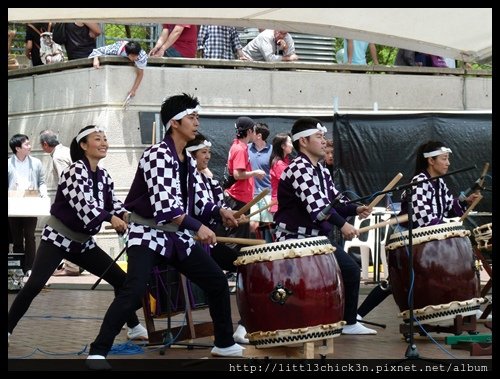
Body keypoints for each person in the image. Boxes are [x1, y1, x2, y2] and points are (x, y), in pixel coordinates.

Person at [86, 94, 244, 370]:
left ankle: (223, 343)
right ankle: (98, 352)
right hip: (147, 234)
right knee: (133, 291)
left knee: (216, 282)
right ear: (174, 123)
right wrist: (199, 227)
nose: (197, 123)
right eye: (192, 118)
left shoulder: (186, 161)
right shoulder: (157, 155)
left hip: (175, 236)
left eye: (197, 118)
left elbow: (197, 201)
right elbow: (166, 207)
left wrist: (220, 212)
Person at [8, 125, 148, 347]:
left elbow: (113, 203)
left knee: (120, 280)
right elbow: (85, 205)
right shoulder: (74, 171)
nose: (104, 143)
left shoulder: (104, 175)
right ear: (83, 145)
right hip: (58, 237)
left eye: (105, 139)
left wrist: (123, 214)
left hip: (82, 243)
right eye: (97, 139)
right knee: (34, 285)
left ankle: (133, 326)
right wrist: (110, 218)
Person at [273, 117, 376, 335]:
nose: (323, 141)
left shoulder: (319, 169)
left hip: (315, 240)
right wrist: (344, 225)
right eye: (319, 137)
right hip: (294, 239)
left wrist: (356, 209)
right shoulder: (298, 168)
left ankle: (348, 322)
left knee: (350, 269)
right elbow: (318, 208)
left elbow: (335, 201)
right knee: (287, 286)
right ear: (303, 141)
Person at [357, 140, 480, 319]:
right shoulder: (420, 182)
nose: (448, 163)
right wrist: (446, 226)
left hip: (423, 238)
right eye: (444, 159)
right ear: (431, 161)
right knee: (396, 283)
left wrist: (463, 201)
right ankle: (357, 316)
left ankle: (465, 309)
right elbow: (424, 218)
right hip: (407, 238)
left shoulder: (439, 183)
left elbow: (447, 207)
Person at [185, 132, 248, 344]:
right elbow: (200, 207)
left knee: (244, 268)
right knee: (219, 281)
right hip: (195, 242)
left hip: (210, 240)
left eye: (209, 152)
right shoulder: (188, 176)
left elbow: (217, 204)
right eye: (204, 152)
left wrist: (230, 217)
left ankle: (243, 326)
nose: (208, 156)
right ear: (191, 154)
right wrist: (223, 214)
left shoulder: (204, 176)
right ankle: (228, 337)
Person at [39, 129, 81, 276]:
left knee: (66, 231)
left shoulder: (58, 156)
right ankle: (72, 265)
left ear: (45, 144)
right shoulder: (66, 151)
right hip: (78, 199)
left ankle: (71, 267)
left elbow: (67, 181)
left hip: (70, 201)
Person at [222, 117, 266, 249]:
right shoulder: (240, 149)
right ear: (249, 131)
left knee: (240, 235)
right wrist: (255, 173)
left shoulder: (238, 146)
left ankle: (234, 267)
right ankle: (231, 267)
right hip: (237, 197)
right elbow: (237, 174)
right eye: (254, 130)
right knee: (237, 237)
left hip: (239, 197)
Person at [8, 134, 48, 275]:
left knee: (30, 236)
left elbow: (42, 182)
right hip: (13, 204)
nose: (30, 146)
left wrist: (44, 194)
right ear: (17, 148)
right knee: (17, 238)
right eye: (26, 144)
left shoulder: (36, 163)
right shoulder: (8, 164)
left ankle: (30, 268)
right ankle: (19, 269)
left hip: (31, 203)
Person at [248, 122, 273, 241]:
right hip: (251, 194)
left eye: (252, 131)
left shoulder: (272, 151)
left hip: (267, 193)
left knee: (267, 227)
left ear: (258, 135)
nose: (250, 133)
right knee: (253, 225)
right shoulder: (246, 148)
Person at [268, 133, 293, 215]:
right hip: (279, 206)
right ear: (283, 146)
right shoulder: (278, 164)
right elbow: (291, 183)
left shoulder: (286, 160)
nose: (292, 145)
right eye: (290, 142)